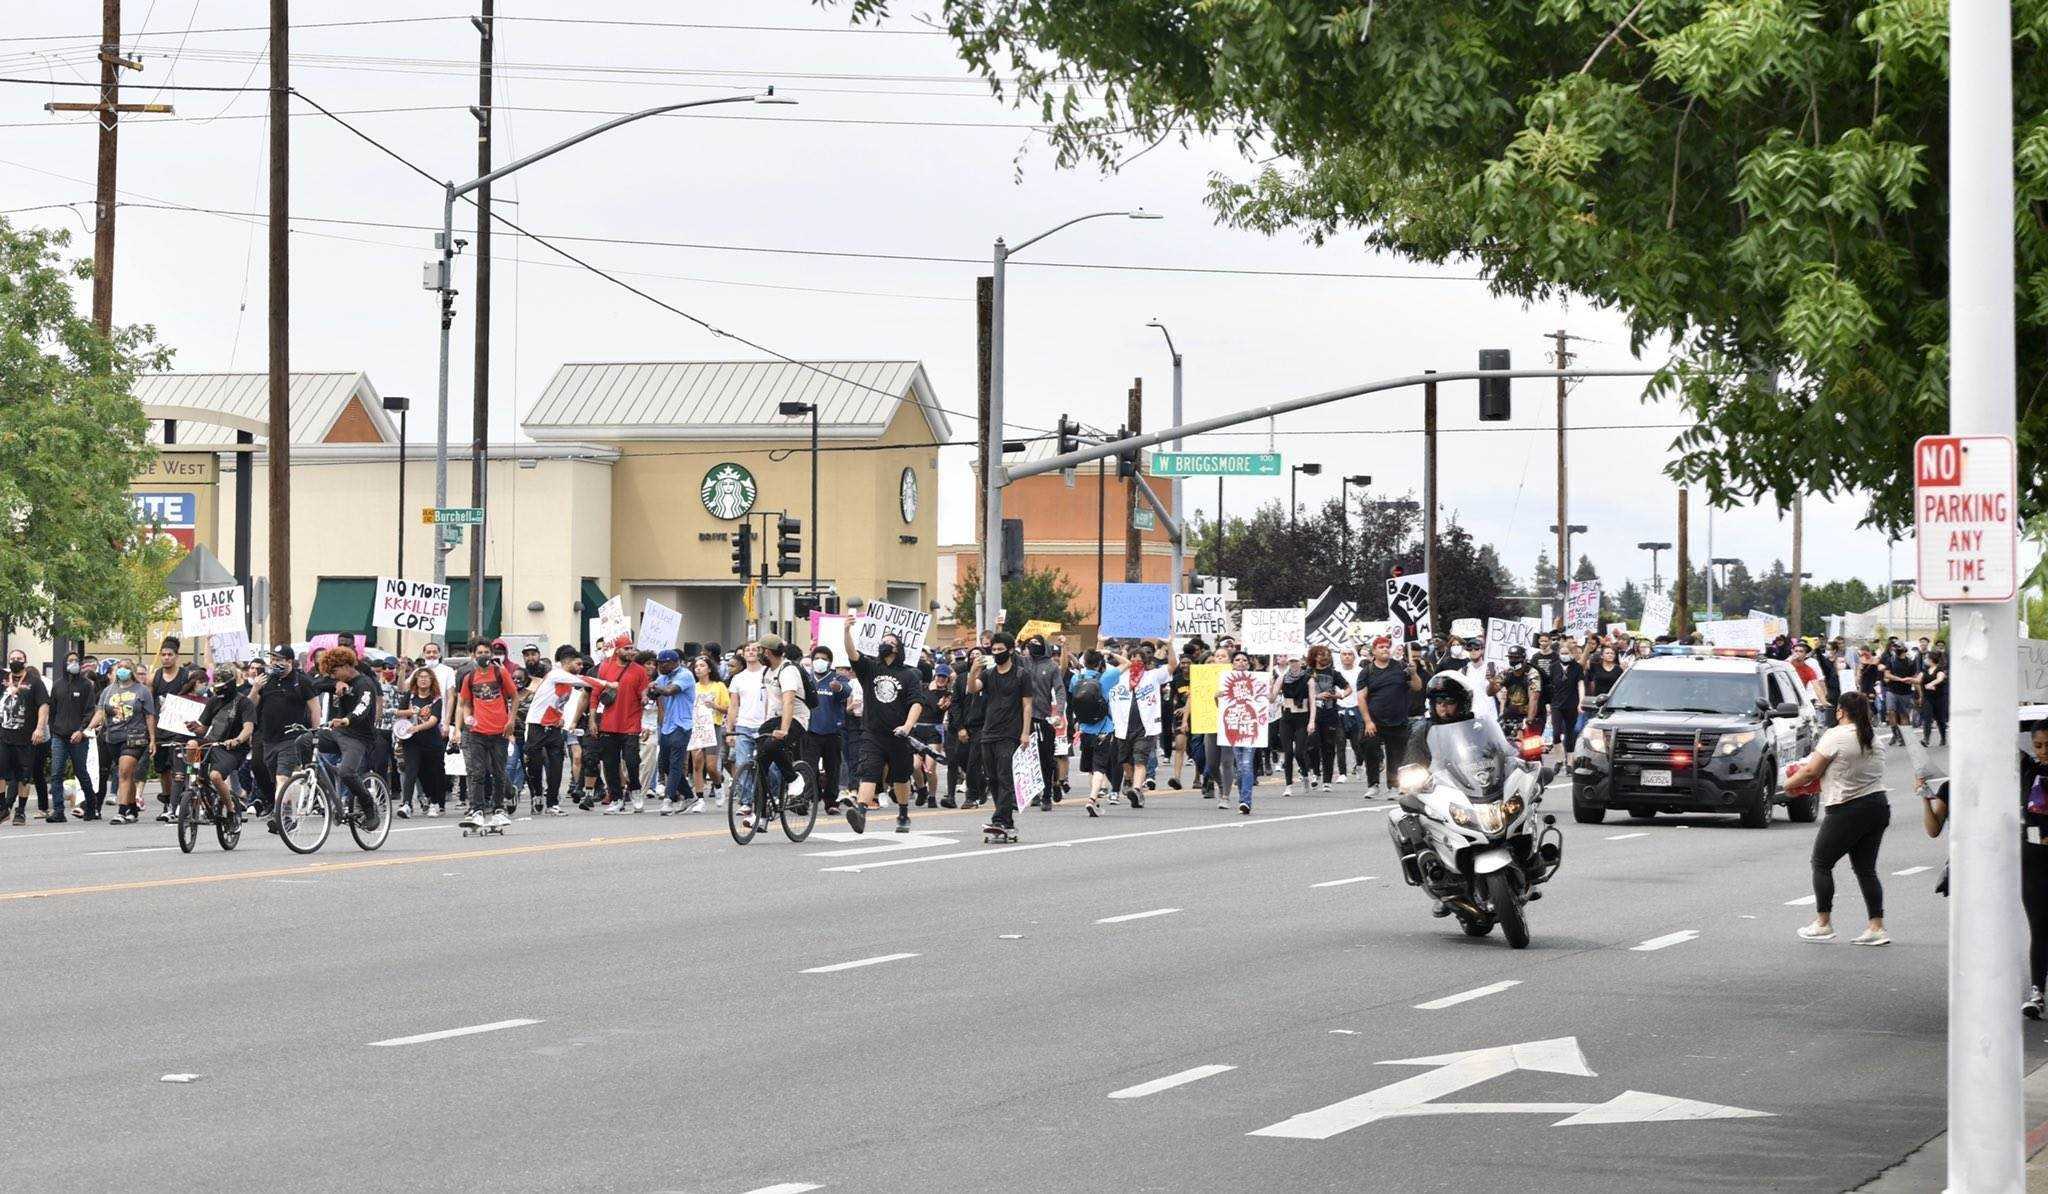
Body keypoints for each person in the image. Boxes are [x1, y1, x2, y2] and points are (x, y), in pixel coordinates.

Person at [1784, 692, 1890, 946]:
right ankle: (1876, 927)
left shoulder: (1836, 735)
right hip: (1878, 805)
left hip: (1847, 808)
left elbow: (1811, 770)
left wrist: (1789, 784)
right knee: (1866, 869)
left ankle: (1823, 923)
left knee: (1821, 862)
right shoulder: (1873, 737)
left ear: (1840, 711)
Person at [741, 635, 814, 833]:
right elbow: (770, 701)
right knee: (761, 763)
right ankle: (761, 815)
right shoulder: (768, 671)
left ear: (769, 652)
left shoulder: (788, 670)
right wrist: (763, 726)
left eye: (761, 650)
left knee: (773, 745)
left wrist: (783, 729)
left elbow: (789, 701)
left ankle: (794, 779)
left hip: (796, 718)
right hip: (774, 717)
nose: (758, 654)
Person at [967, 630, 1033, 840]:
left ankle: (999, 819)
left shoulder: (1021, 674)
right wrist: (973, 671)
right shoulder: (988, 674)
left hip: (1010, 733)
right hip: (989, 731)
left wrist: (1025, 733)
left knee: (1005, 776)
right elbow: (972, 689)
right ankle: (1006, 821)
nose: (996, 653)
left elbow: (1027, 705)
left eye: (1000, 649)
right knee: (992, 777)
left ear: (1010, 650)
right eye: (993, 649)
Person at [310, 645, 384, 830]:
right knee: (303, 741)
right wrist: (334, 684)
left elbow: (363, 707)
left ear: (346, 666)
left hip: (358, 737)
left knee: (346, 772)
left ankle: (369, 807)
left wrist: (346, 719)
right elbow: (314, 685)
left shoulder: (364, 684)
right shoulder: (337, 681)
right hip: (337, 734)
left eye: (335, 672)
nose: (333, 676)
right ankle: (313, 781)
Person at [450, 639, 518, 832]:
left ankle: (498, 809)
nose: (483, 655)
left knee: (498, 773)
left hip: (500, 731)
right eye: (479, 652)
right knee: (477, 773)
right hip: (477, 733)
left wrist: (511, 721)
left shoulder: (500, 673)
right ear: (473, 655)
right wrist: (467, 719)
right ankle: (477, 810)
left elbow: (514, 697)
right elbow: (464, 703)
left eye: (486, 651)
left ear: (491, 653)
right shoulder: (469, 678)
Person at [251, 645, 320, 827]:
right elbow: (250, 705)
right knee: (276, 778)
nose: (274, 663)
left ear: (289, 661)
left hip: (292, 736)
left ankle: (279, 815)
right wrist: (256, 688)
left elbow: (315, 708)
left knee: (282, 777)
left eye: (279, 659)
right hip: (268, 737)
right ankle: (288, 816)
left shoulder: (301, 681)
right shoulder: (266, 680)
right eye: (272, 659)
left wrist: (315, 733)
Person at [87, 659, 155, 825]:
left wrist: (152, 740)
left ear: (131, 671)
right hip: (113, 737)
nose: (122, 671)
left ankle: (121, 810)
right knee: (128, 775)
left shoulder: (142, 691)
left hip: (135, 738)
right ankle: (132, 808)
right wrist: (88, 728)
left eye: (125, 668)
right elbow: (100, 712)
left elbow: (149, 716)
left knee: (124, 772)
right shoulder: (108, 691)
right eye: (120, 668)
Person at [1104, 645, 1170, 806]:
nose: (1135, 662)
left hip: (1144, 727)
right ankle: (1130, 779)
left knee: (1140, 760)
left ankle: (1137, 789)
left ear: (1145, 662)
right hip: (1122, 727)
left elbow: (1171, 666)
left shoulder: (1152, 676)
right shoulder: (1119, 676)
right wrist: (1103, 646)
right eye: (1132, 659)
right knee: (1125, 760)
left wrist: (1171, 645)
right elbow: (1100, 660)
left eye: (1139, 660)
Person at [1355, 637, 1421, 798]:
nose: (1385, 649)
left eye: (1387, 647)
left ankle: (1393, 786)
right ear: (1374, 651)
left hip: (1398, 720)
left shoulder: (1400, 667)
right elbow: (1361, 698)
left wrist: (1413, 674)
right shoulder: (1367, 671)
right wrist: (1368, 721)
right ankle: (1373, 784)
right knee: (1371, 750)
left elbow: (1417, 687)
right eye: (1381, 647)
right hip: (1375, 721)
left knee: (1396, 754)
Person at [188, 664, 256, 820]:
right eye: (216, 686)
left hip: (232, 749)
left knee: (216, 776)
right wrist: (194, 727)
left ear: (231, 684)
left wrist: (237, 740)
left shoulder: (244, 703)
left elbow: (248, 728)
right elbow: (203, 729)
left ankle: (231, 810)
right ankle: (194, 778)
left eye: (222, 686)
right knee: (191, 744)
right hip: (212, 744)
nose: (219, 690)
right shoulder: (213, 701)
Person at [147, 638, 200, 821]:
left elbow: (198, 695)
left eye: (170, 655)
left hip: (181, 729)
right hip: (162, 729)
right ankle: (168, 802)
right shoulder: (156, 676)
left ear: (176, 657)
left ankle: (184, 803)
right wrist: (152, 737)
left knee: (182, 768)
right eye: (163, 655)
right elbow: (150, 707)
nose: (166, 658)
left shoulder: (186, 676)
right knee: (164, 769)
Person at [0, 648, 50, 825]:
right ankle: (2, 808)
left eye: (18, 658)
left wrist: (39, 728)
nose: (15, 660)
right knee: (1, 773)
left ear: (25, 661)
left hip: (25, 737)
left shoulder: (34, 682)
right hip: (4, 735)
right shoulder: (3, 679)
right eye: (12, 658)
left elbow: (44, 706)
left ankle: (20, 811)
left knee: (24, 777)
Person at [47, 650, 98, 821]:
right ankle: (58, 811)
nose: (73, 663)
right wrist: (54, 729)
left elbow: (90, 710)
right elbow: (52, 710)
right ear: (64, 663)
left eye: (76, 660)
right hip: (59, 736)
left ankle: (92, 806)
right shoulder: (58, 685)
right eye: (70, 660)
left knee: (81, 772)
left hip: (78, 737)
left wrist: (81, 730)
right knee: (56, 773)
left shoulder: (86, 685)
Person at [649, 649, 698, 814]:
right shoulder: (662, 678)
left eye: (662, 663)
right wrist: (651, 689)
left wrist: (656, 687)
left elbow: (670, 691)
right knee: (666, 765)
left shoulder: (685, 675)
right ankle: (689, 796)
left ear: (673, 662)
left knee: (676, 762)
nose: (659, 667)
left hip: (682, 724)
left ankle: (668, 800)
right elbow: (653, 694)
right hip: (667, 724)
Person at [395, 666, 447, 817]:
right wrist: (412, 712)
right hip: (411, 741)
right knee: (411, 770)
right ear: (415, 680)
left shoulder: (436, 699)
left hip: (432, 742)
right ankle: (406, 804)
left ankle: (434, 802)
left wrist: (418, 727)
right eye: (420, 677)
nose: (423, 679)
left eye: (426, 677)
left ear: (431, 681)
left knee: (431, 773)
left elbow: (434, 720)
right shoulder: (410, 697)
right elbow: (399, 712)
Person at [803, 646, 850, 810]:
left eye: (823, 659)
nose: (819, 662)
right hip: (810, 731)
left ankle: (831, 801)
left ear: (829, 662)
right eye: (816, 658)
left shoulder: (837, 678)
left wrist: (839, 688)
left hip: (832, 731)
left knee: (833, 767)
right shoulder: (806, 678)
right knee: (809, 766)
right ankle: (807, 798)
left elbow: (847, 690)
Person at [1019, 633, 1063, 807]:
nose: (1032, 645)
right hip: (1023, 718)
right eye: (1030, 643)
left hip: (1043, 718)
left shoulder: (1052, 667)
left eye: (1036, 643)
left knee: (1046, 758)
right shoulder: (1023, 663)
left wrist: (1058, 712)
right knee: (1028, 758)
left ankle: (1048, 793)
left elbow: (1060, 690)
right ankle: (1033, 791)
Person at [1302, 644, 1352, 791]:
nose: (1324, 657)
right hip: (1312, 714)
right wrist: (1317, 696)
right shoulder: (1308, 673)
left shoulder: (1334, 673)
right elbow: (1302, 693)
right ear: (1314, 657)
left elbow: (1348, 688)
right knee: (1312, 744)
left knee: (1329, 746)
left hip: (1330, 713)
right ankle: (1315, 772)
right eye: (1320, 654)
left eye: (1327, 654)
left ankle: (1327, 781)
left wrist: (1339, 696)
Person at [688, 657, 729, 809]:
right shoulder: (693, 687)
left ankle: (718, 784)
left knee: (711, 767)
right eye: (696, 666)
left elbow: (727, 708)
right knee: (697, 764)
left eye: (702, 666)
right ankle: (699, 799)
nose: (698, 668)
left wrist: (714, 706)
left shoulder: (719, 686)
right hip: (697, 726)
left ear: (709, 669)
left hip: (713, 726)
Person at [1879, 642, 1920, 746]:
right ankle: (1895, 733)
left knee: (1904, 716)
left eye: (1898, 648)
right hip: (1892, 690)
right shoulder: (1891, 660)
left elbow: (1915, 677)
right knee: (1890, 711)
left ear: (1904, 649)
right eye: (1895, 648)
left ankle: (1903, 737)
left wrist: (1919, 693)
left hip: (1905, 692)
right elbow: (1887, 674)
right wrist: (1900, 679)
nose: (1896, 650)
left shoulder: (1911, 662)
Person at [1919, 649, 1949, 746]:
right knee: (1927, 718)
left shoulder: (1940, 669)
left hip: (1939, 698)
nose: (1925, 659)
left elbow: (1940, 678)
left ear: (1931, 659)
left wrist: (1931, 683)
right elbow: (1917, 679)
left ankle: (1943, 738)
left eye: (1926, 658)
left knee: (1940, 719)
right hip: (1928, 698)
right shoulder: (1924, 670)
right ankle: (1926, 739)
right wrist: (1907, 680)